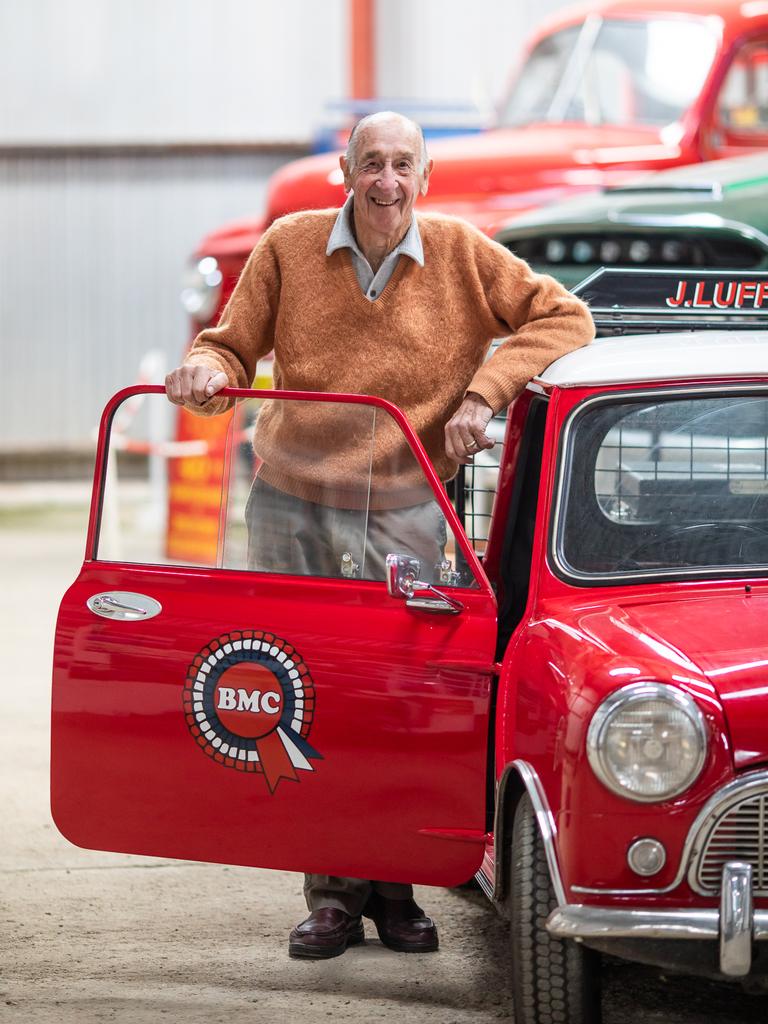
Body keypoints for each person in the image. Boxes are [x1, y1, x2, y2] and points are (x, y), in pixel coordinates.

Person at [165, 111, 595, 960]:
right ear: (348, 173)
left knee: (399, 697)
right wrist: (209, 374)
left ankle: (394, 890)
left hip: (404, 507)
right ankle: (330, 894)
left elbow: (564, 320)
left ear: (423, 178)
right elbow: (230, 347)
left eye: (403, 164)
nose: (387, 180)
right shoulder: (288, 246)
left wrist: (483, 394)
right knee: (304, 694)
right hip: (291, 505)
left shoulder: (462, 253)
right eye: (372, 163)